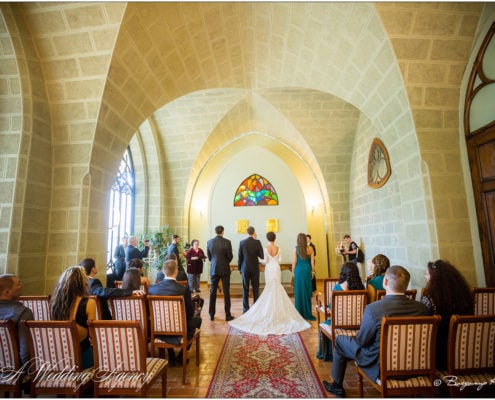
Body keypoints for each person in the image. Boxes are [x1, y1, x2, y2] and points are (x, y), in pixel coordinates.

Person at [323, 265, 429, 397]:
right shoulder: (423, 309)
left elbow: (362, 341)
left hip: (378, 364)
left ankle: (337, 385)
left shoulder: (374, 309)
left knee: (340, 340)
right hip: (414, 365)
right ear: (406, 285)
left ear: (385, 282)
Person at [229, 231, 310, 335]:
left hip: (269, 268)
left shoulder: (265, 249)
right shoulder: (279, 248)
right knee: (277, 286)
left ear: (268, 239)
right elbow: (280, 260)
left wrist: (259, 259)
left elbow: (265, 261)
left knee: (269, 287)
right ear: (274, 239)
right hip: (276, 268)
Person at [420, 259, 473, 370]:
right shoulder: (464, 295)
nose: (426, 277)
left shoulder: (429, 297)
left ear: (435, 277)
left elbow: (424, 324)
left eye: (427, 274)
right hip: (467, 351)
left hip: (439, 354)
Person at [148, 259, 202, 367]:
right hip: (180, 329)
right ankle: (181, 356)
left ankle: (171, 354)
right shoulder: (183, 289)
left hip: (159, 329)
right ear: (176, 271)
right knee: (198, 320)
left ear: (163, 271)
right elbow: (190, 313)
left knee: (166, 323)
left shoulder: (152, 289)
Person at [50, 266, 97, 369]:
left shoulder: (54, 303)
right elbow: (93, 335)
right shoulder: (89, 303)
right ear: (83, 283)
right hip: (82, 358)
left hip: (58, 358)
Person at [317, 262, 365, 361]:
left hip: (339, 325)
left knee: (322, 325)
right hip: (358, 325)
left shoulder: (337, 288)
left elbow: (331, 307)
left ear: (343, 273)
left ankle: (328, 354)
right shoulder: (362, 289)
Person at [80, 258, 144, 319]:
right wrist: (130, 291)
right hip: (102, 320)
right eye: (95, 265)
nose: (97, 266)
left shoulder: (82, 282)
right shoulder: (92, 282)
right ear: (93, 269)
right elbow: (104, 292)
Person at [0, 274, 34, 365]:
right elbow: (25, 351)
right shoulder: (23, 313)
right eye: (18, 284)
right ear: (7, 292)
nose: (22, 286)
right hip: (14, 372)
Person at [207, 225, 234, 321]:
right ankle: (227, 315)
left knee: (212, 292)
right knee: (226, 292)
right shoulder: (227, 242)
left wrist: (215, 262)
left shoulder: (209, 242)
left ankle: (211, 314)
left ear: (215, 232)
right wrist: (225, 262)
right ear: (222, 232)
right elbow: (230, 256)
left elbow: (209, 257)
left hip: (214, 268)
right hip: (225, 268)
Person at [238, 226, 264, 313]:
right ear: (254, 232)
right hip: (254, 268)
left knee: (245, 288)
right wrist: (256, 240)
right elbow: (262, 256)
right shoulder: (257, 242)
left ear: (247, 232)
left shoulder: (242, 242)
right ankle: (256, 308)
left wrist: (239, 268)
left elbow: (240, 256)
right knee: (255, 288)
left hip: (244, 268)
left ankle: (245, 309)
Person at [292, 232, 316, 321]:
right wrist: (313, 272)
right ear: (305, 240)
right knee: (306, 290)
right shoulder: (310, 248)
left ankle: (299, 312)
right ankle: (307, 312)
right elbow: (312, 262)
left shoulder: (295, 249)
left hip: (298, 271)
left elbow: (294, 263)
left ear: (298, 240)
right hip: (307, 270)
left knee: (299, 291)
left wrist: (293, 273)